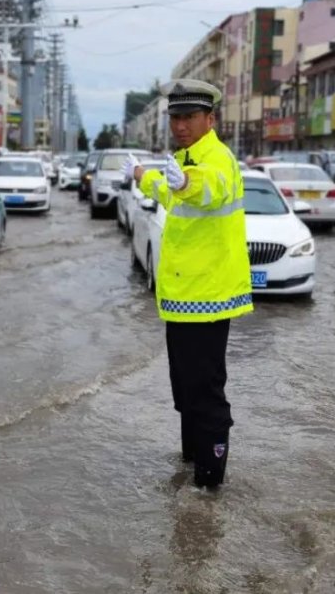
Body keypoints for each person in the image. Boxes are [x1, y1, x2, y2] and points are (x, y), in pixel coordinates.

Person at [123, 79, 253, 489]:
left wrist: (187, 183)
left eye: (189, 117)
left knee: (205, 393)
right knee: (185, 391)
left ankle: (208, 486)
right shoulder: (185, 157)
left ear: (210, 119)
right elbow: (170, 194)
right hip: (182, 298)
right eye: (175, 117)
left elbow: (209, 189)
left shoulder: (217, 158)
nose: (180, 125)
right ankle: (191, 463)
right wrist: (144, 176)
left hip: (209, 297)